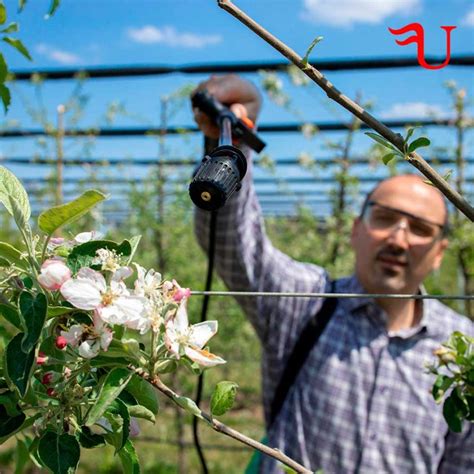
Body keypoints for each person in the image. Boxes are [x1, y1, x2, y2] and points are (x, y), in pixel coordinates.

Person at [192, 74, 473, 473]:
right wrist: (230, 145)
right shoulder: (308, 303)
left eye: (420, 229)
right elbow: (237, 250)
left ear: (440, 252)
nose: (399, 238)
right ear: (355, 230)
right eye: (385, 218)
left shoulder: (464, 348)